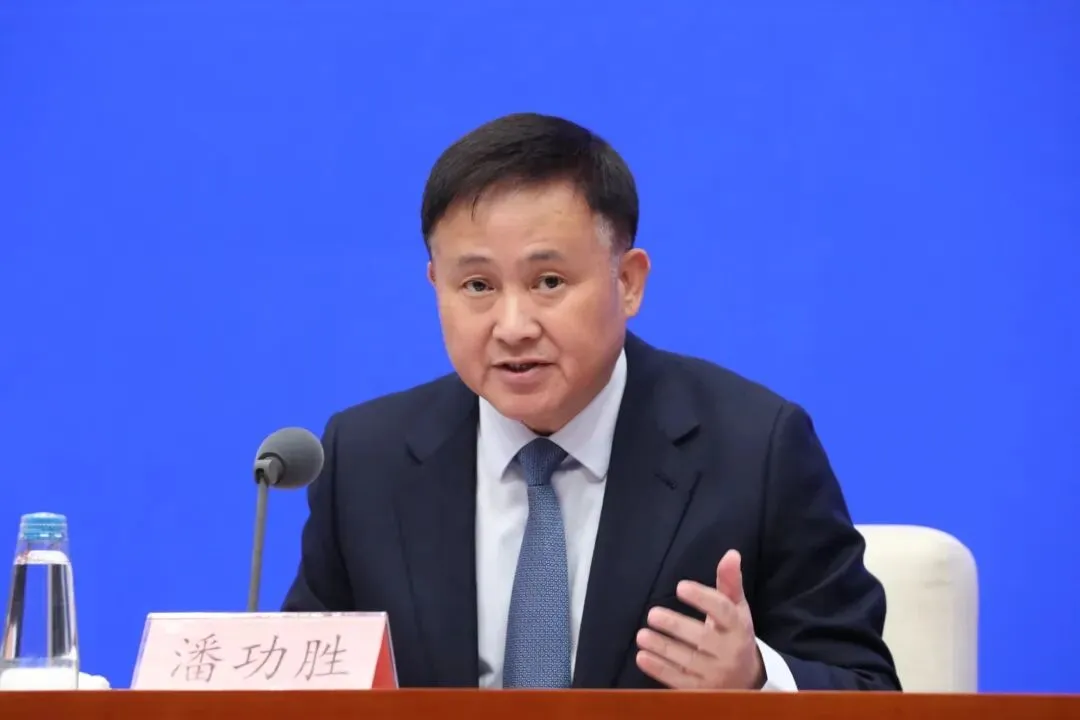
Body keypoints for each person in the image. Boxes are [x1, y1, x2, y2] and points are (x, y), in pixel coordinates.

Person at [282, 112, 900, 691]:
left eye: (548, 281)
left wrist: (755, 680)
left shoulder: (754, 449)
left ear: (627, 282)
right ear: (435, 286)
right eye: (477, 285)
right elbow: (302, 685)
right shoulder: (365, 460)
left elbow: (868, 687)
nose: (513, 325)